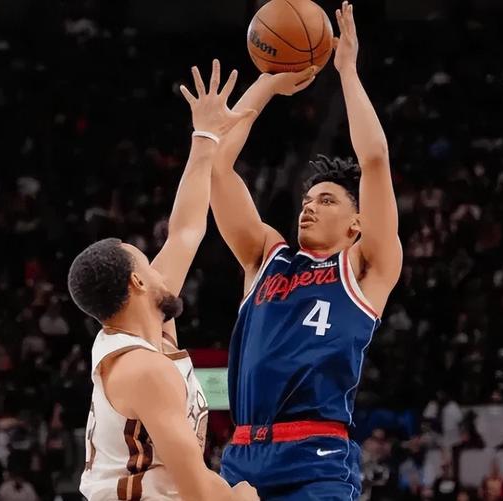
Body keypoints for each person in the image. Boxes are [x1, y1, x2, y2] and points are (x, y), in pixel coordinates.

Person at [210, 2, 402, 499]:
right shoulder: (266, 258)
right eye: (307, 200)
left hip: (317, 456)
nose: (310, 208)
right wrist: (268, 83)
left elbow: (375, 159)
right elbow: (218, 170)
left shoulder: (364, 267)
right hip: (242, 455)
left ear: (357, 223)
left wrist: (347, 72)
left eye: (327, 200)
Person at [69, 60, 258, 501]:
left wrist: (205, 135)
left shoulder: (147, 329)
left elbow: (186, 230)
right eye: (148, 264)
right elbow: (196, 490)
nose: (161, 269)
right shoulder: (144, 369)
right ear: (138, 283)